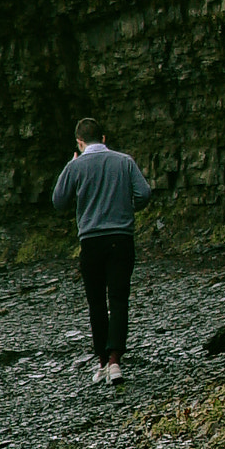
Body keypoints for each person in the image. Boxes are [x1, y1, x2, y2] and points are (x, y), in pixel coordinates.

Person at [51, 118, 152, 385]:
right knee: (119, 299)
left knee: (96, 302)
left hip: (91, 241)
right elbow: (144, 193)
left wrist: (71, 165)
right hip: (121, 238)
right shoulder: (124, 161)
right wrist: (127, 210)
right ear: (104, 138)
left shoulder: (76, 165)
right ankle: (115, 361)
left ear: (79, 142)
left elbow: (59, 201)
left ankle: (100, 362)